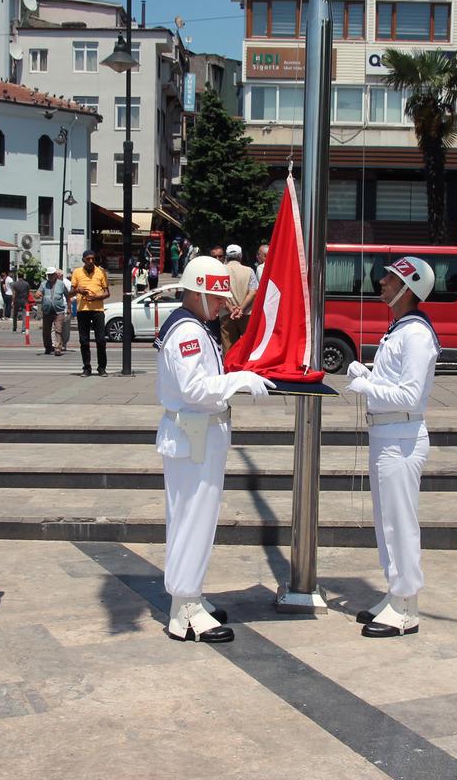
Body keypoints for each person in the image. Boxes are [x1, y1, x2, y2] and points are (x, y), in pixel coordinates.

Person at [155, 255, 274, 643]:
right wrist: (237, 380)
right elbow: (194, 389)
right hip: (195, 436)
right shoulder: (187, 331)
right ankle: (185, 611)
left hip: (198, 437)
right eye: (216, 297)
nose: (223, 304)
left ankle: (188, 597)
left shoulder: (196, 325)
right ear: (197, 292)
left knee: (193, 521)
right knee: (193, 521)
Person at [344, 257, 439, 638]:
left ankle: (405, 606)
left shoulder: (415, 334)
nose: (381, 282)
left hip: (401, 437)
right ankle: (395, 594)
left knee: (400, 525)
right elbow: (393, 381)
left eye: (391, 278)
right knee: (387, 524)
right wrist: (367, 374)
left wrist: (367, 387)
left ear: (407, 288)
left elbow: (409, 394)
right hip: (387, 435)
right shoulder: (400, 330)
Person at [68, 250, 110, 377]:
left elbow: (107, 293)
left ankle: (102, 368)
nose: (91, 261)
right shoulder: (77, 272)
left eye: (93, 258)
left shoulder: (101, 272)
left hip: (98, 310)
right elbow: (70, 293)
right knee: (84, 340)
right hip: (83, 310)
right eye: (88, 259)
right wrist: (78, 290)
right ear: (83, 260)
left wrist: (95, 298)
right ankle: (87, 367)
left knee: (101, 340)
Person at [220, 244, 259, 352]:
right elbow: (253, 292)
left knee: (228, 349)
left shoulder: (220, 270)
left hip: (226, 314)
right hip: (246, 313)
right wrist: (241, 309)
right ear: (240, 256)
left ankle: (229, 369)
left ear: (226, 257)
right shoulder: (249, 270)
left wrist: (231, 309)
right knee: (248, 348)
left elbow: (219, 293)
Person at [37, 267, 70, 356]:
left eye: (52, 274)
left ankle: (57, 348)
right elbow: (38, 293)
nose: (50, 276)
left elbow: (67, 296)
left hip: (59, 310)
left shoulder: (61, 284)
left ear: (55, 275)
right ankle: (48, 347)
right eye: (48, 275)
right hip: (47, 310)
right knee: (46, 331)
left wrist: (69, 307)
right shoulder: (43, 284)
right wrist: (38, 294)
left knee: (58, 329)